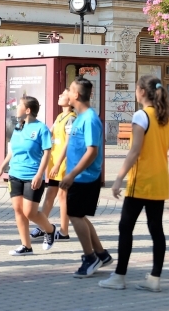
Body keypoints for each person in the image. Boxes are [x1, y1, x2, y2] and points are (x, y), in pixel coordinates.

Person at [99, 76, 169, 293]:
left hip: (141, 181)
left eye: (136, 89)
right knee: (156, 229)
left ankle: (119, 276)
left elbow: (135, 151)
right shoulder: (166, 119)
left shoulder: (141, 116)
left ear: (142, 92)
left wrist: (118, 179)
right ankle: (154, 278)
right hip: (160, 181)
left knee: (126, 227)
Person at [59, 77, 112, 278]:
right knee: (78, 215)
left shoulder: (89, 119)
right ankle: (101, 254)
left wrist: (72, 174)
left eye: (70, 90)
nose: (67, 92)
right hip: (77, 177)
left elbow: (91, 151)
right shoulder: (80, 117)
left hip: (84, 177)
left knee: (74, 215)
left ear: (77, 95)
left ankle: (90, 257)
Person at [0, 96, 56, 255]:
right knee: (18, 210)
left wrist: (40, 174)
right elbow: (12, 152)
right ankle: (26, 246)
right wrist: (1, 168)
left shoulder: (42, 129)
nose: (16, 108)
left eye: (19, 106)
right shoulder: (18, 128)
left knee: (30, 212)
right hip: (15, 174)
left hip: (33, 175)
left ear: (28, 110)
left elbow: (47, 153)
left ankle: (49, 230)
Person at [31, 88, 74, 242]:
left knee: (63, 196)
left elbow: (68, 145)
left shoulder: (71, 118)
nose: (59, 95)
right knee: (50, 194)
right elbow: (49, 133)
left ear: (70, 100)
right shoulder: (59, 116)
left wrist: (57, 165)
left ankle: (64, 231)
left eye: (63, 94)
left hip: (63, 164)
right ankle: (43, 226)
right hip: (54, 162)